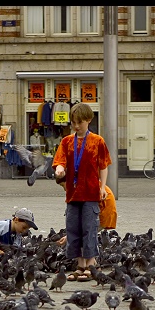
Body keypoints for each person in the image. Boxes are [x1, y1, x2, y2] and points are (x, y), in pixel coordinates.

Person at [52, 102, 112, 282]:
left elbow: (103, 166)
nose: (76, 126)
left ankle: (91, 265)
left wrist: (102, 188)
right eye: (73, 123)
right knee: (73, 229)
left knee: (90, 228)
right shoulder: (66, 141)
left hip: (91, 192)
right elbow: (60, 161)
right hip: (72, 193)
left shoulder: (97, 141)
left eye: (80, 122)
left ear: (88, 120)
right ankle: (80, 265)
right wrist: (59, 170)